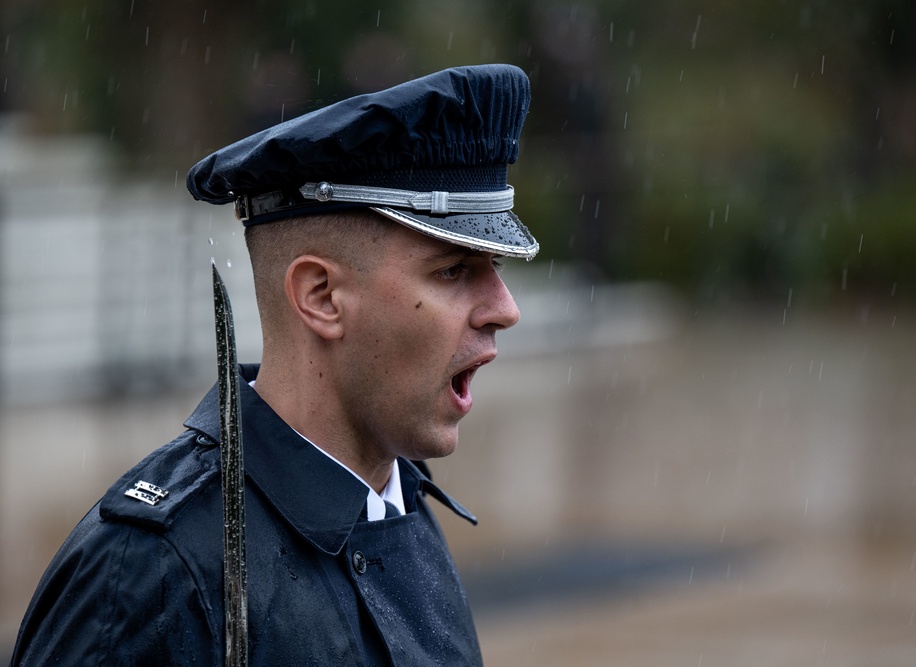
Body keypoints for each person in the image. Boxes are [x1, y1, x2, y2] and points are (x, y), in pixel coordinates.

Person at [9, 63, 538, 666]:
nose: (505, 309)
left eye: (497, 270)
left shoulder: (405, 508)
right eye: (453, 270)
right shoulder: (154, 571)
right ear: (321, 297)